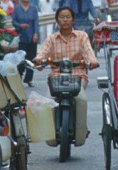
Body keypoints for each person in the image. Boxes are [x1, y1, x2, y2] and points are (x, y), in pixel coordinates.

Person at [33, 7, 100, 141]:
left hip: (77, 76)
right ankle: (49, 134)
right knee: (48, 102)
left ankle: (81, 131)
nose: (65, 20)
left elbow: (89, 52)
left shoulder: (82, 36)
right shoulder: (51, 38)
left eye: (68, 17)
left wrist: (92, 61)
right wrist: (38, 59)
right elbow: (41, 54)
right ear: (57, 20)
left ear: (73, 19)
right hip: (56, 78)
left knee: (81, 99)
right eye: (62, 17)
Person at [12, 0, 40, 86]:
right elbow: (13, 21)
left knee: (31, 58)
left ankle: (29, 79)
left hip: (32, 36)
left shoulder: (34, 9)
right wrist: (20, 25)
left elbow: (36, 22)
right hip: (21, 37)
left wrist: (36, 34)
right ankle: (19, 77)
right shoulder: (16, 9)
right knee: (20, 58)